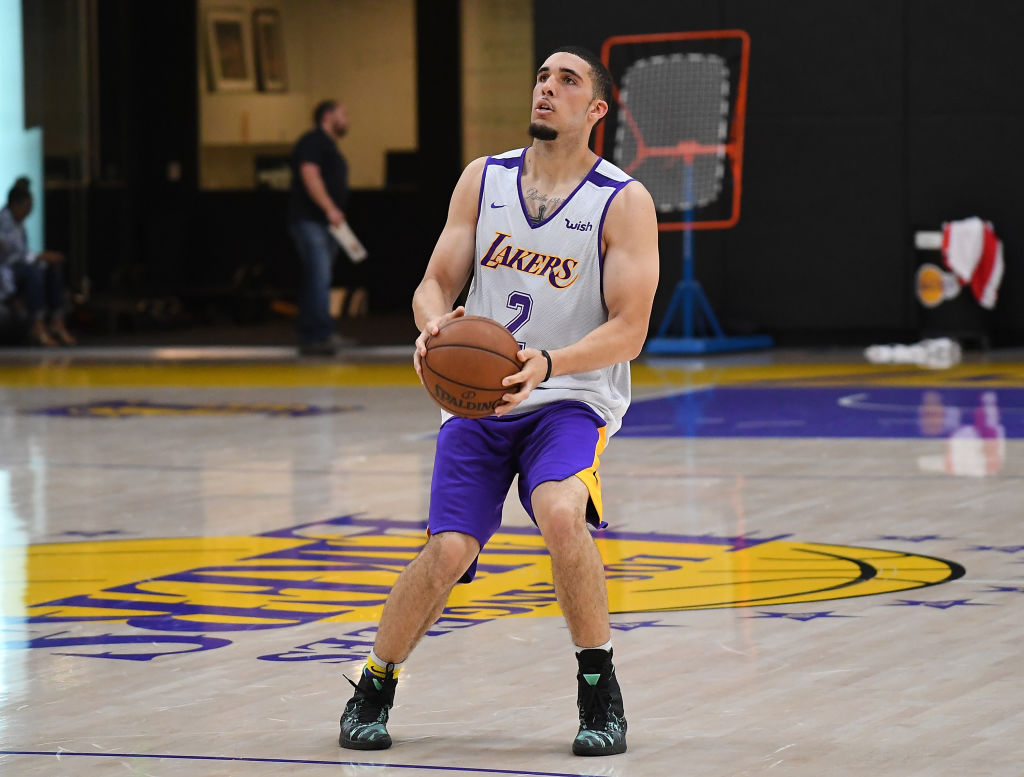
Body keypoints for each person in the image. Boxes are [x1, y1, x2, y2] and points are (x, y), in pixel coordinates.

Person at [337, 46, 659, 756]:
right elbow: (433, 283)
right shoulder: (482, 181)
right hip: (479, 405)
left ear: (595, 110)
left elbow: (630, 330)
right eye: (543, 77)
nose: (548, 89)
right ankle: (374, 680)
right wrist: (432, 325)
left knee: (559, 512)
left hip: (568, 398)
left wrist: (550, 363)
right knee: (448, 549)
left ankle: (599, 687)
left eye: (567, 81)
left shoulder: (622, 201)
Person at [288, 99, 352, 356]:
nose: (347, 120)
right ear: (328, 116)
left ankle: (314, 333)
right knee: (319, 276)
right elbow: (309, 175)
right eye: (343, 114)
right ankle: (318, 335)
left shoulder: (327, 145)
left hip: (324, 222)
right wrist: (329, 209)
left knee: (319, 277)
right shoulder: (313, 142)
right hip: (312, 220)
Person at [0, 178, 75, 346]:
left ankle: (57, 320)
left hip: (17, 270)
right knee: (34, 270)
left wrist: (42, 259)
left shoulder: (18, 223)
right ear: (15, 205)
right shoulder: (3, 222)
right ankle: (38, 324)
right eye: (27, 206)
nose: (30, 211)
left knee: (51, 268)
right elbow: (13, 257)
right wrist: (40, 257)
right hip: (6, 274)